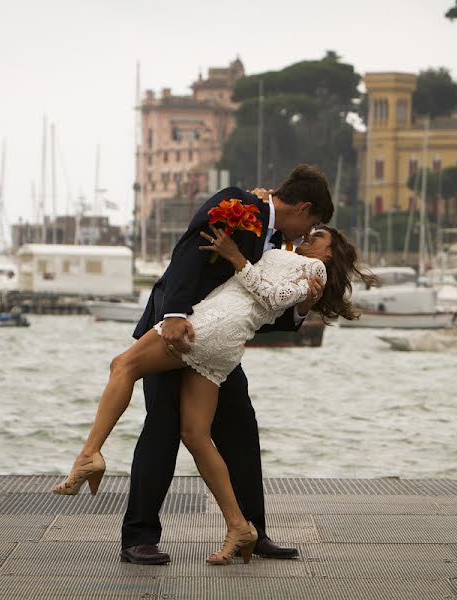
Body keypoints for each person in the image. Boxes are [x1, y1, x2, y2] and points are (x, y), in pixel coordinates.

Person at [56, 165, 333, 565]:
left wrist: (302, 309)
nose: (308, 233)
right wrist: (173, 314)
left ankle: (252, 531)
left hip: (217, 340)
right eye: (314, 222)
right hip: (176, 328)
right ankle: (139, 537)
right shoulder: (238, 203)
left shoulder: (279, 245)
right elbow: (187, 254)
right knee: (162, 431)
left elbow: (265, 306)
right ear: (303, 207)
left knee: (240, 430)